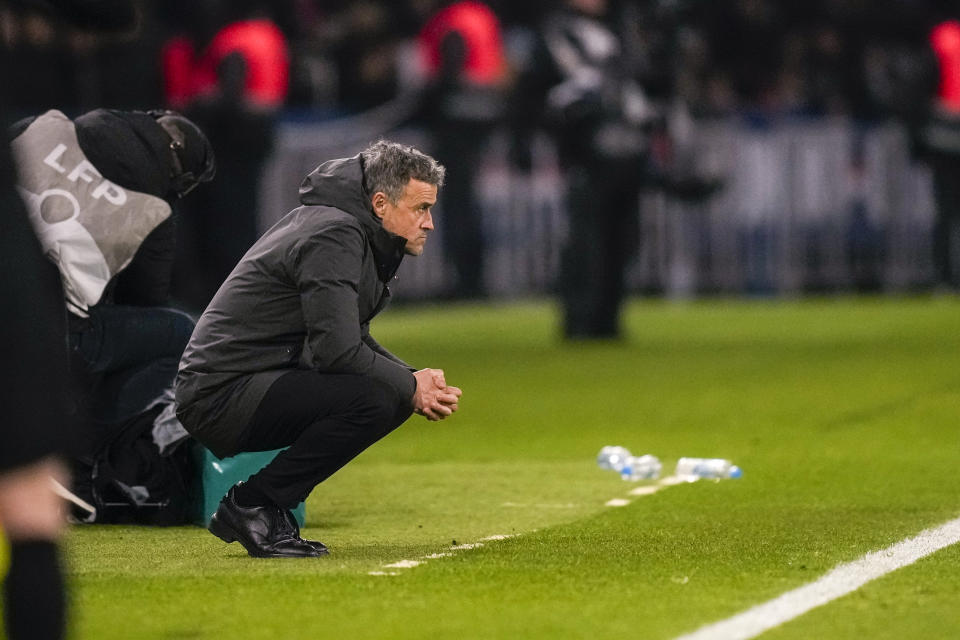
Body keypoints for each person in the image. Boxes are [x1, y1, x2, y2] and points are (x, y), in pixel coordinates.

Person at [176, 140, 462, 558]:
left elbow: (349, 336)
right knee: (379, 398)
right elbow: (338, 352)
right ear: (380, 203)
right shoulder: (335, 233)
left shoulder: (345, 226)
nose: (429, 223)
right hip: (220, 393)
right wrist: (408, 383)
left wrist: (414, 377)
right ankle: (254, 503)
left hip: (247, 379)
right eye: (420, 208)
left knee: (389, 393)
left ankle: (262, 504)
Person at [8, 107, 215, 510]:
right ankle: (81, 461)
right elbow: (145, 302)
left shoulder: (47, 124)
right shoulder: (154, 210)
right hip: (46, 330)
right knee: (177, 333)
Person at [418, 0, 509, 299]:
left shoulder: (450, 20)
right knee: (470, 200)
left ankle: (465, 278)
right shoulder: (481, 14)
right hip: (487, 111)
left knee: (458, 203)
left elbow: (450, 71)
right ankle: (475, 275)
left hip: (457, 118)